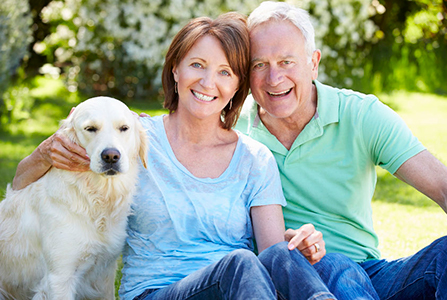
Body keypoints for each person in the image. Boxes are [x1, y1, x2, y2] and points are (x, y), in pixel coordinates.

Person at [12, 12, 337, 300]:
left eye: (225, 72)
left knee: (276, 255)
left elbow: (271, 256)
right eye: (197, 65)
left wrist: (295, 245)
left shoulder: (255, 159)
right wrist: (44, 154)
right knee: (239, 264)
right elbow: (22, 182)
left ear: (238, 85)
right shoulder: (131, 136)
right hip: (156, 291)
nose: (208, 82)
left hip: (237, 289)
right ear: (176, 70)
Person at [234, 1, 447, 299]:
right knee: (332, 264)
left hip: (371, 275)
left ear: (313, 63)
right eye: (259, 65)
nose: (274, 78)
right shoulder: (232, 129)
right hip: (296, 282)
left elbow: (444, 186)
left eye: (287, 62)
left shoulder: (361, 115)